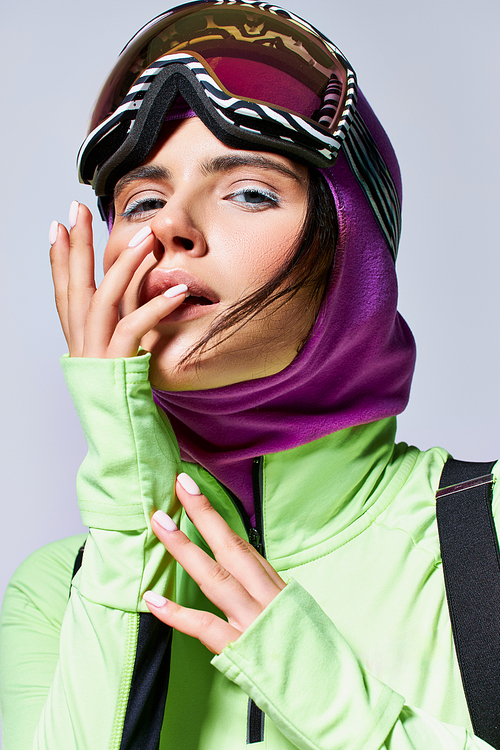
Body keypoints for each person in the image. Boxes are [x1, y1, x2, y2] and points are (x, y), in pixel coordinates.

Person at [0, 1, 497, 748]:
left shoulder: (482, 535)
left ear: (350, 248)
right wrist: (127, 477)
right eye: (142, 200)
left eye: (249, 191)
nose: (170, 225)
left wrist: (318, 690)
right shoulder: (57, 591)